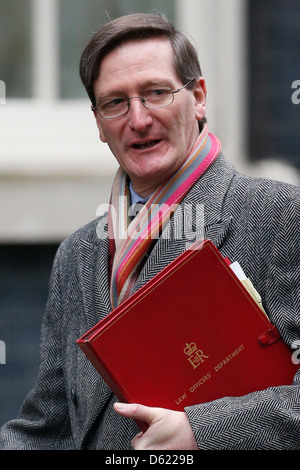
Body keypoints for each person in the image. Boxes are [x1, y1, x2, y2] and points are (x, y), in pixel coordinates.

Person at [1, 12, 299, 450]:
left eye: (156, 93)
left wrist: (201, 431)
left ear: (198, 97)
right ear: (99, 124)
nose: (137, 120)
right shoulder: (77, 255)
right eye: (115, 103)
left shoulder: (278, 215)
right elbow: (49, 427)